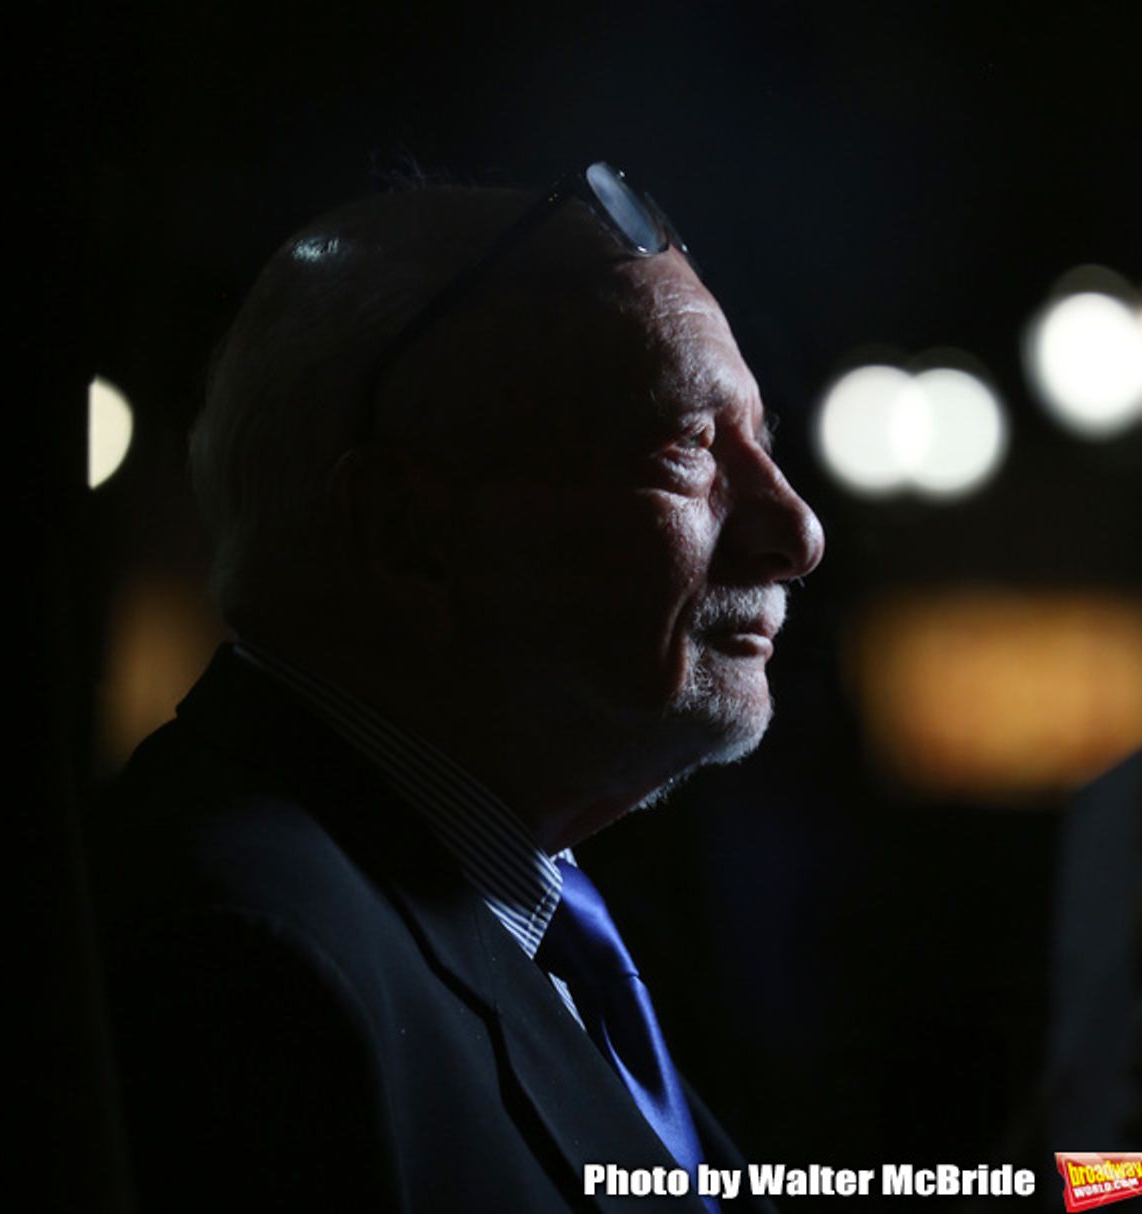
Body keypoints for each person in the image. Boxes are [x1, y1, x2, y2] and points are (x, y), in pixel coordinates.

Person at [89, 163, 824, 1213]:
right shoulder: (246, 966)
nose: (797, 530)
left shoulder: (512, 912)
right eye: (690, 446)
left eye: (763, 442)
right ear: (408, 535)